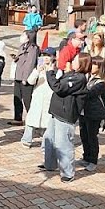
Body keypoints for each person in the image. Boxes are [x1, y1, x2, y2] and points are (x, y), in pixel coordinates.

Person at [41, 52, 90, 182]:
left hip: (65, 115)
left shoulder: (79, 78)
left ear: (81, 64)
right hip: (56, 111)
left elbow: (58, 87)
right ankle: (50, 164)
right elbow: (59, 82)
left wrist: (50, 72)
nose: (72, 61)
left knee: (63, 144)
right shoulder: (71, 74)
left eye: (75, 60)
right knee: (48, 138)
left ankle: (67, 173)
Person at [78, 56, 105, 172]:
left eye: (93, 64)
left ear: (99, 67)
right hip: (83, 112)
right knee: (84, 135)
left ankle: (93, 160)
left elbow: (89, 94)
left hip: (94, 114)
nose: (91, 66)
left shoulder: (101, 82)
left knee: (92, 137)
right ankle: (86, 157)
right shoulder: (87, 77)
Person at [21, 47, 56, 147]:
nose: (46, 58)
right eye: (44, 55)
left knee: (47, 121)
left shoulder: (56, 70)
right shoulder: (39, 67)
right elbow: (30, 81)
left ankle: (46, 142)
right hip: (38, 97)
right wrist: (37, 71)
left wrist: (51, 72)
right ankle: (27, 140)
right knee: (31, 119)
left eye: (48, 56)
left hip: (49, 98)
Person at [9, 30, 39, 127]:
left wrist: (25, 78)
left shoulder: (33, 48)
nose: (21, 37)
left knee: (27, 99)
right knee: (16, 97)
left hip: (25, 77)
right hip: (18, 75)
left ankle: (32, 119)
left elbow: (30, 64)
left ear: (28, 37)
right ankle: (18, 118)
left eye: (23, 35)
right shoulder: (22, 47)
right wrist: (15, 58)